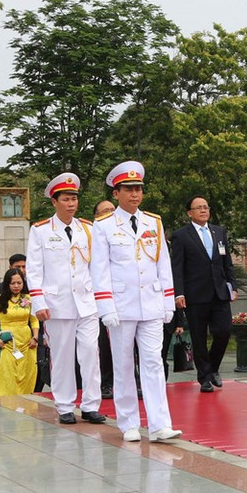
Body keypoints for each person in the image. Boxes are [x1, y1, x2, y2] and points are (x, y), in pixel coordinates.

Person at [91, 160, 182, 443]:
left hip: (151, 302)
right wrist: (105, 306)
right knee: (122, 363)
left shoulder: (153, 222)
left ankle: (159, 424)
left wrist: (168, 301)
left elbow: (163, 264)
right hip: (121, 304)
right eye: (128, 189)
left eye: (138, 189)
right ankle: (129, 422)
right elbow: (99, 268)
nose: (135, 195)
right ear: (116, 193)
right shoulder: (103, 225)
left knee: (154, 362)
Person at [26, 173, 106, 425]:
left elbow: (97, 266)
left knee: (91, 353)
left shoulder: (88, 229)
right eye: (66, 199)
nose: (71, 203)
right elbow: (34, 270)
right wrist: (38, 302)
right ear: (54, 201)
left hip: (86, 302)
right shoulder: (40, 230)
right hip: (57, 304)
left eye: (74, 199)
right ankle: (64, 405)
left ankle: (91, 405)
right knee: (61, 356)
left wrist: (101, 299)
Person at [170, 195, 237, 393]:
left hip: (219, 292)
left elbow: (227, 262)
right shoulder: (181, 235)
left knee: (223, 332)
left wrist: (232, 285)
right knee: (199, 338)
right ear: (189, 213)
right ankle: (204, 377)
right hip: (195, 294)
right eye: (198, 208)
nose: (203, 210)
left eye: (206, 207)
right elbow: (177, 267)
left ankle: (213, 368)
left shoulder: (219, 232)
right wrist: (179, 293)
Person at [0, 268, 39, 396]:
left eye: (19, 283)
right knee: (7, 376)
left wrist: (35, 337)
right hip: (7, 344)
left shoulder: (28, 299)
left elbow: (34, 320)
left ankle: (26, 407)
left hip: (27, 343)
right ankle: (7, 407)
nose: (16, 286)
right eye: (12, 283)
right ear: (7, 284)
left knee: (27, 374)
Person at [94, 200, 116, 399]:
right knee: (104, 344)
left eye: (112, 210)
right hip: (99, 300)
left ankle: (136, 381)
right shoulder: (92, 236)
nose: (110, 213)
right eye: (105, 211)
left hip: (123, 297)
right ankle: (106, 382)